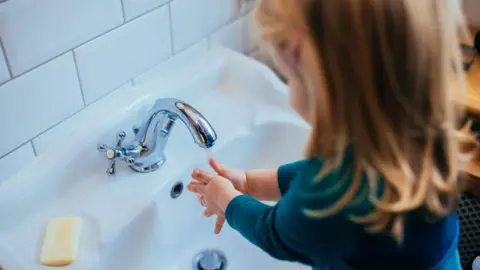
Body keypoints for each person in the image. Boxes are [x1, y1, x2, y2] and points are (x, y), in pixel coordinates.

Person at [187, 0, 477, 269]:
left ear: (301, 60)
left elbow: (272, 231)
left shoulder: (328, 199)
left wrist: (226, 199)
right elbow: (327, 173)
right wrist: (250, 183)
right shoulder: (423, 133)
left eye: (288, 77)